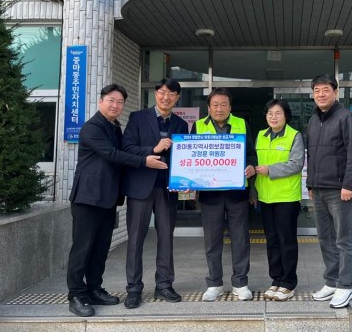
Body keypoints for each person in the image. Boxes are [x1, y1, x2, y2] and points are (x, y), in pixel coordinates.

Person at [67, 84, 166, 317]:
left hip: (108, 198)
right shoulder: (92, 127)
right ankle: (76, 295)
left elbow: (124, 150)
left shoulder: (114, 127)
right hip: (88, 198)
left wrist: (148, 151)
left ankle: (94, 288)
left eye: (120, 102)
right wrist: (145, 160)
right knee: (82, 249)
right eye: (111, 100)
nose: (115, 105)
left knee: (101, 248)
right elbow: (112, 154)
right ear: (101, 101)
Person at [121, 79, 189, 308]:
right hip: (140, 188)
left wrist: (187, 180)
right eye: (162, 92)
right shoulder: (138, 118)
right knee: (135, 240)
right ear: (155, 94)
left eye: (171, 93)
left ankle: (164, 285)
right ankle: (133, 289)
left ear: (177, 97)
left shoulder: (181, 124)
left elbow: (184, 157)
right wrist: (153, 149)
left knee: (166, 239)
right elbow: (127, 147)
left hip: (167, 189)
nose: (165, 97)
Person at [191, 88, 257, 301]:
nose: (219, 109)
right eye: (215, 105)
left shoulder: (241, 124)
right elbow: (192, 156)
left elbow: (251, 154)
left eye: (223, 104)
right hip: (210, 194)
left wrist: (251, 166)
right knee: (212, 241)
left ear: (230, 107)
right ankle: (214, 283)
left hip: (237, 192)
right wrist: (189, 179)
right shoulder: (198, 126)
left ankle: (240, 283)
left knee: (240, 239)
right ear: (209, 108)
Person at [306, 74, 352, 309]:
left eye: (325, 90)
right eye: (317, 90)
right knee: (325, 238)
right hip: (318, 189)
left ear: (335, 92)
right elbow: (312, 155)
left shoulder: (346, 118)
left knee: (343, 239)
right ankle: (332, 281)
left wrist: (348, 185)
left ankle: (346, 285)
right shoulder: (313, 120)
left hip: (339, 189)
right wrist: (310, 184)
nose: (321, 94)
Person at [254, 99, 304, 301]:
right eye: (270, 113)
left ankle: (288, 283)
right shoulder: (261, 135)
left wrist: (270, 170)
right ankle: (276, 280)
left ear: (286, 116)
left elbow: (296, 164)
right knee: (272, 240)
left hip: (286, 197)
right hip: (265, 197)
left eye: (278, 113)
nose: (273, 117)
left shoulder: (294, 135)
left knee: (286, 240)